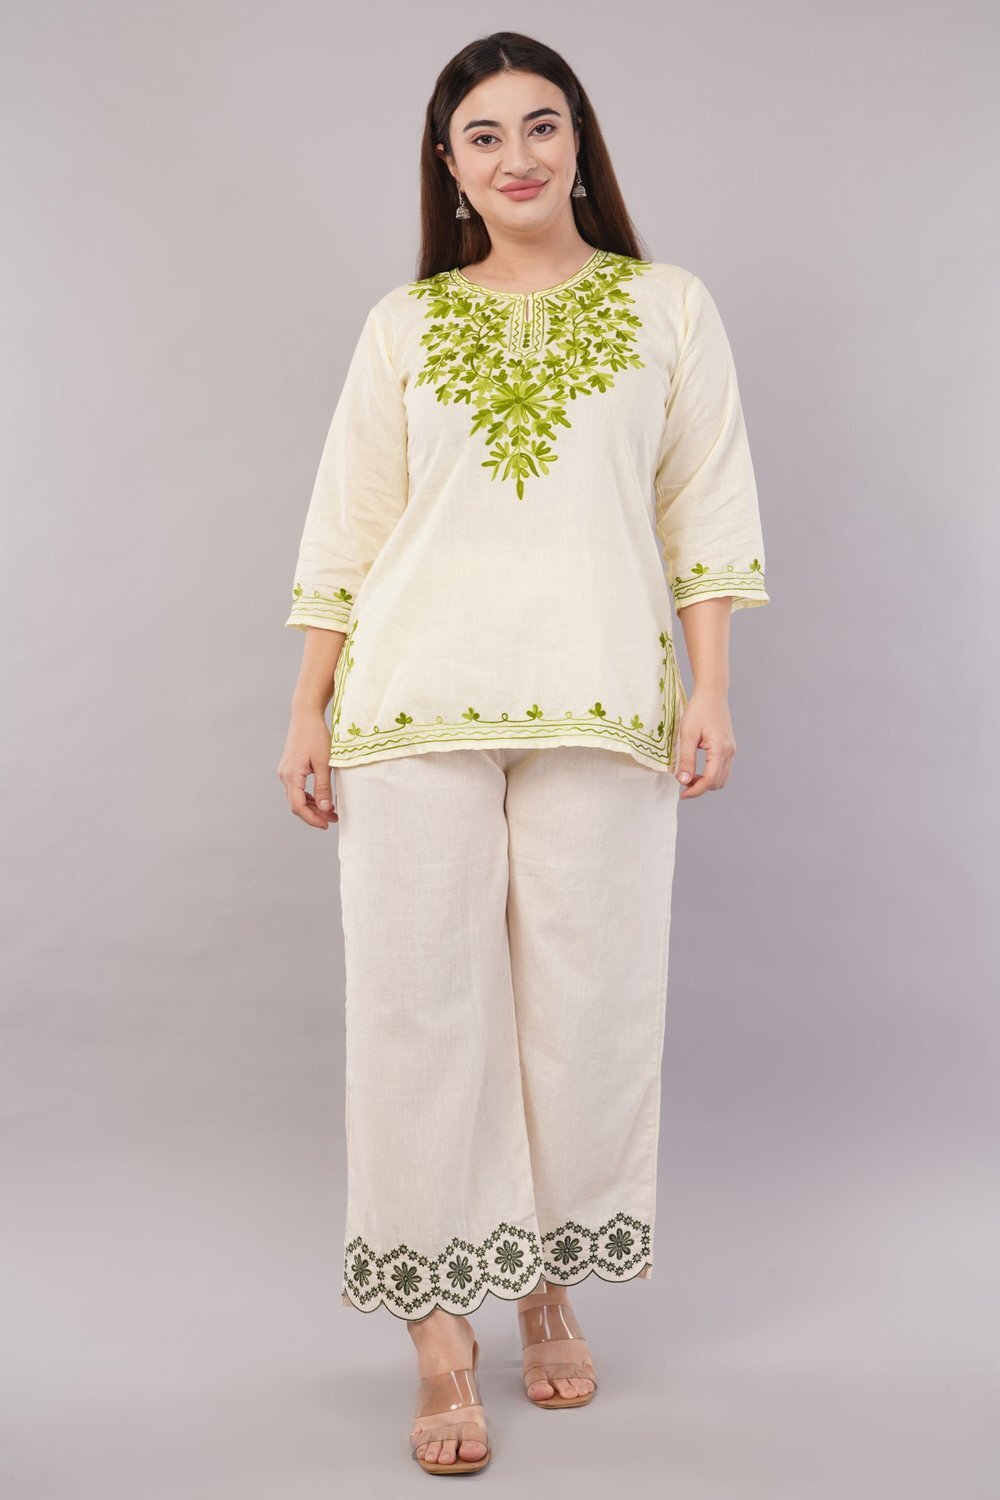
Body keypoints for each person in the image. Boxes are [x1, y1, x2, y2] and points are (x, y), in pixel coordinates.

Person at [277, 31, 770, 1476]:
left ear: (579, 141)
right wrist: (306, 707)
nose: (517, 156)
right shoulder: (406, 325)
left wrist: (711, 687)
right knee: (420, 1017)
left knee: (586, 1010)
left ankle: (546, 1279)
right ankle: (440, 1331)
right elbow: (350, 524)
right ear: (449, 168)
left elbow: (705, 505)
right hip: (411, 706)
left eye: (540, 126)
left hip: (604, 703)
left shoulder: (669, 308)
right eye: (483, 136)